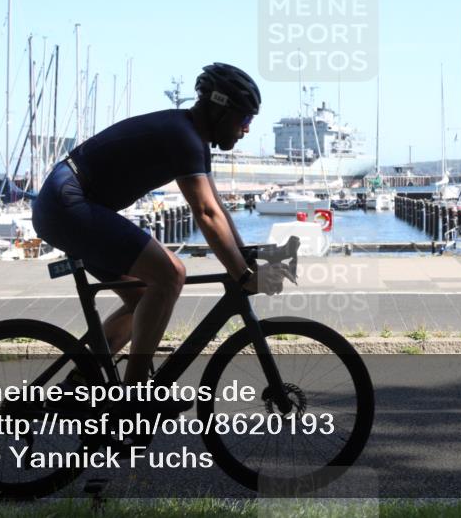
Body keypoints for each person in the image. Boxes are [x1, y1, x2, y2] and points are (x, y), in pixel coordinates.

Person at [32, 63, 289, 403]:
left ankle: (83, 380)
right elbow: (205, 214)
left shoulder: (192, 137)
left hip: (69, 202)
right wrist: (240, 273)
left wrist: (243, 258)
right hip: (66, 202)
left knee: (142, 297)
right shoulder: (182, 137)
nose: (245, 130)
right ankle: (137, 394)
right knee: (170, 275)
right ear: (219, 110)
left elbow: (217, 207)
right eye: (244, 120)